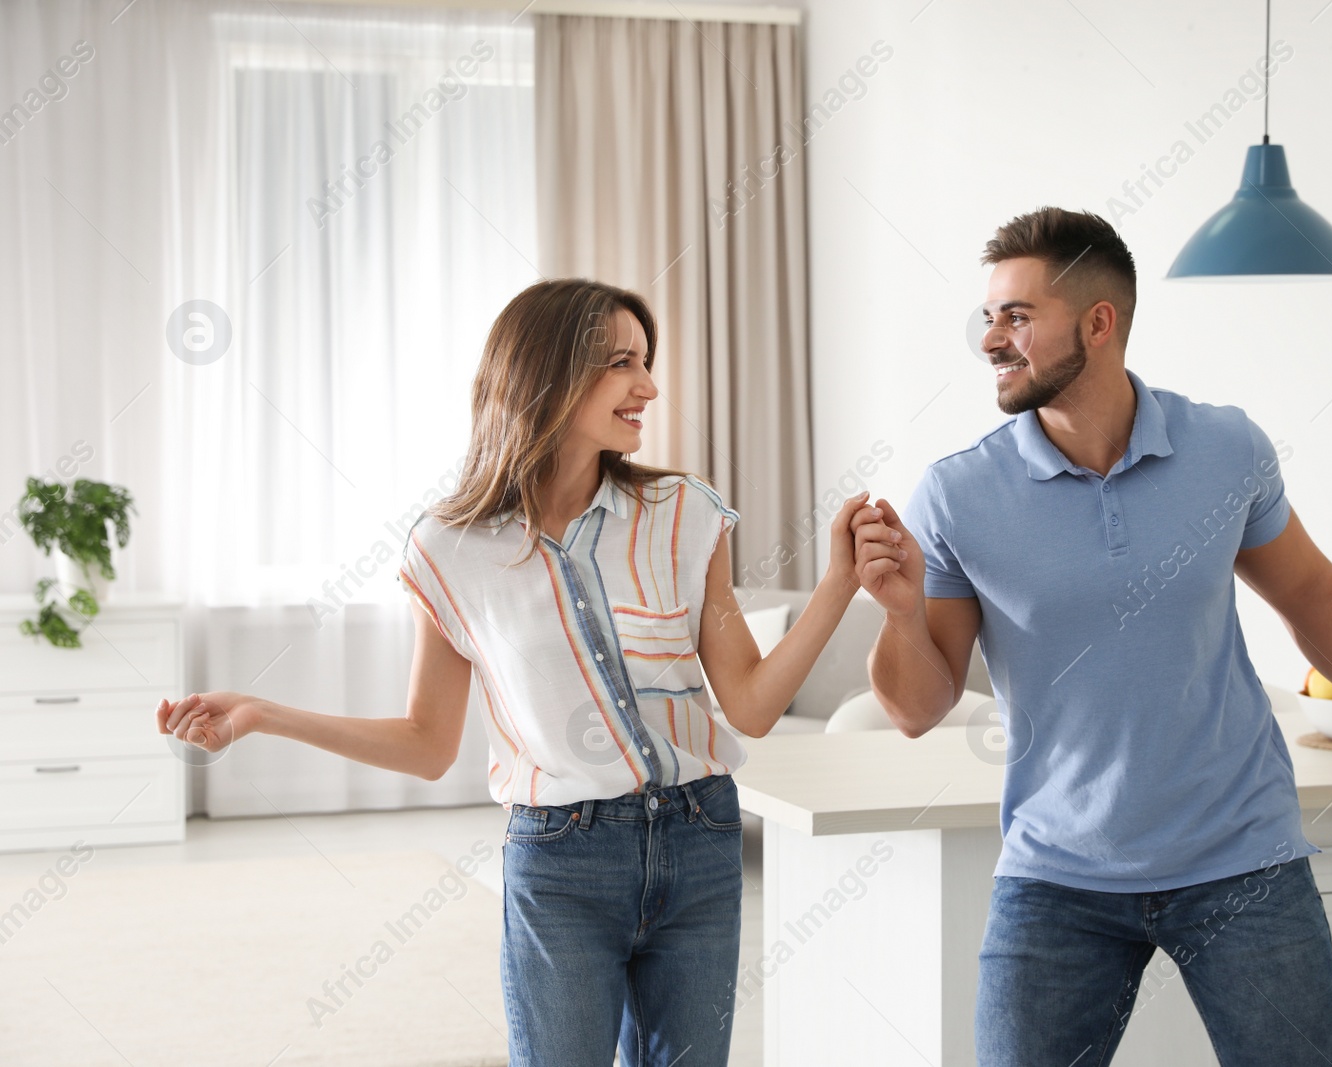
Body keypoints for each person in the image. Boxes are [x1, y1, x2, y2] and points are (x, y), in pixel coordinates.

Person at [851, 207, 1332, 1066]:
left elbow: (1314, 595)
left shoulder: (1224, 449)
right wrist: (902, 613)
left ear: (1100, 324)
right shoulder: (959, 493)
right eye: (989, 316)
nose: (991, 339)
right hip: (1059, 874)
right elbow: (916, 707)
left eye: (1017, 316)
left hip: (1243, 858)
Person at [158, 277, 868, 1067]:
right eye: (620, 364)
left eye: (645, 360)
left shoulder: (684, 514)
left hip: (701, 836)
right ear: (549, 374)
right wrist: (262, 712)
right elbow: (428, 743)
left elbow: (751, 703)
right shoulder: (449, 549)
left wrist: (839, 582)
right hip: (563, 861)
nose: (649, 386)